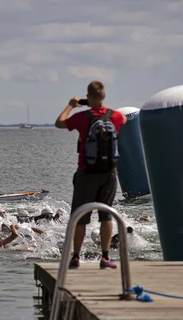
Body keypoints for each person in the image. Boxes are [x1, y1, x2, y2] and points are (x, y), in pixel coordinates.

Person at [55, 80, 127, 270]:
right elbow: (124, 121)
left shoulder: (82, 117)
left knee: (80, 217)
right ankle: (105, 258)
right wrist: (102, 108)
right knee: (106, 216)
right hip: (109, 174)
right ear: (103, 96)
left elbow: (59, 123)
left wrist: (71, 105)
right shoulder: (116, 116)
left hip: (86, 173)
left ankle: (76, 257)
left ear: (88, 97)